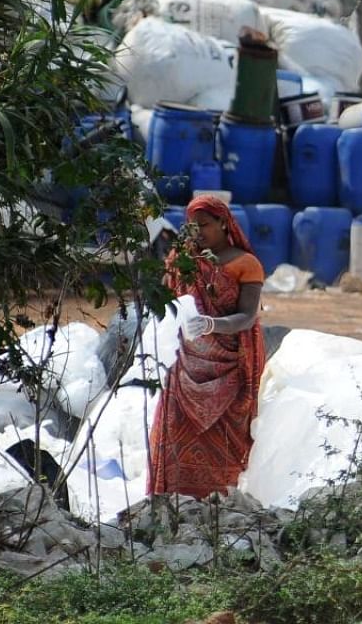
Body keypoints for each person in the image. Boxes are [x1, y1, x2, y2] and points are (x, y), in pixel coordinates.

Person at [148, 195, 265, 499]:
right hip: (185, 366)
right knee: (172, 437)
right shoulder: (183, 261)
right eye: (192, 226)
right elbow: (165, 301)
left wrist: (213, 324)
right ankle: (172, 506)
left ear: (224, 224)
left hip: (229, 369)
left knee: (225, 446)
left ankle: (220, 511)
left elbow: (248, 316)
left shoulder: (245, 264)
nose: (198, 232)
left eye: (205, 225)